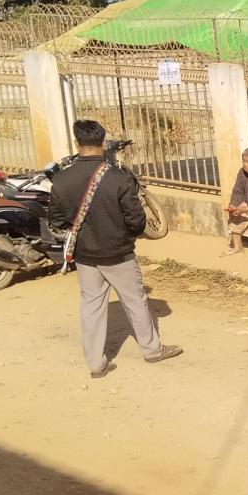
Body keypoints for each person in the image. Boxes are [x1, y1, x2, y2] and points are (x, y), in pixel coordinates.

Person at [49, 119, 183, 379]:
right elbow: (137, 220)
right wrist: (126, 236)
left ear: (77, 143)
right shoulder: (118, 177)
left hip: (85, 255)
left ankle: (95, 364)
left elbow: (56, 219)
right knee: (135, 301)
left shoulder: (62, 178)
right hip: (118, 253)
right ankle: (152, 350)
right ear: (103, 143)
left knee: (91, 306)